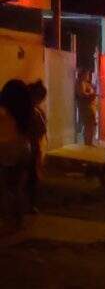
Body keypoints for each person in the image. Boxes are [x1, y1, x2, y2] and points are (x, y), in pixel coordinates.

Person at [1, 79, 33, 230]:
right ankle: (18, 219)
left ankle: (10, 220)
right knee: (17, 186)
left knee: (7, 187)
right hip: (23, 149)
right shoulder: (25, 111)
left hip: (7, 151)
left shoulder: (4, 113)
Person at [25, 81, 47, 213]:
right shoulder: (30, 112)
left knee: (31, 178)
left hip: (32, 147)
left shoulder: (36, 111)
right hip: (28, 148)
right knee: (29, 177)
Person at [75, 70, 97, 146]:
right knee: (88, 126)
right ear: (83, 75)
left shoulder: (85, 83)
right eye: (87, 74)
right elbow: (82, 95)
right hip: (86, 107)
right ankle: (87, 143)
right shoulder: (80, 83)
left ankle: (89, 142)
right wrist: (91, 95)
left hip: (90, 107)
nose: (88, 76)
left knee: (91, 126)